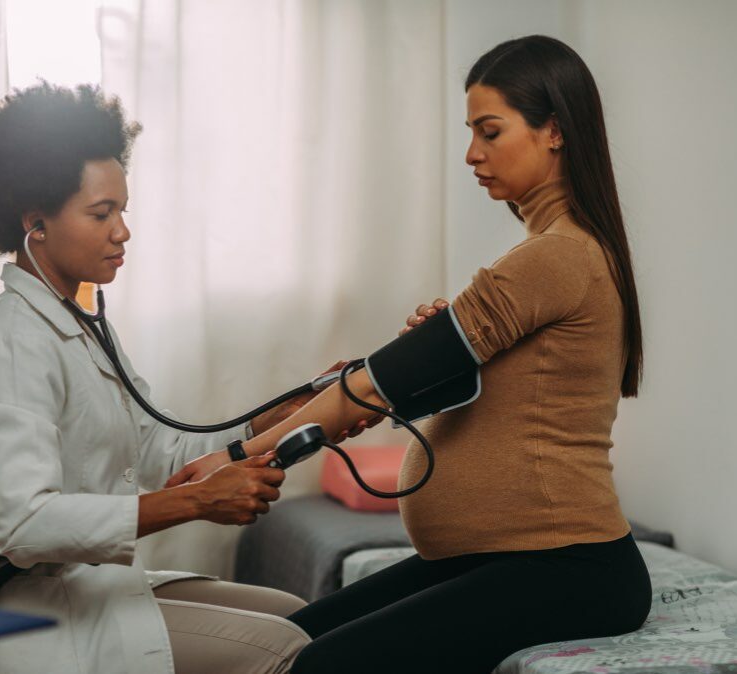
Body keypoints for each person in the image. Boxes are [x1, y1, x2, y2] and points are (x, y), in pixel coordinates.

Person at [170, 35, 652, 672]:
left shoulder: (556, 257)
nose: (471, 154)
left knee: (313, 665)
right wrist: (438, 356)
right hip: (509, 554)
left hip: (567, 564)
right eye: (470, 132)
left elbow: (374, 387)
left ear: (554, 131)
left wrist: (235, 455)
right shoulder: (557, 253)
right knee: (292, 639)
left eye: (490, 131)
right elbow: (463, 389)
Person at [0, 81, 368, 674]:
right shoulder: (11, 344)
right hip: (33, 603)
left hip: (91, 586)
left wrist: (291, 409)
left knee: (299, 616)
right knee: (293, 652)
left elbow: (161, 448)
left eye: (123, 210)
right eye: (101, 213)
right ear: (36, 223)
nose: (123, 232)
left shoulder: (78, 328)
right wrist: (194, 502)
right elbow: (24, 523)